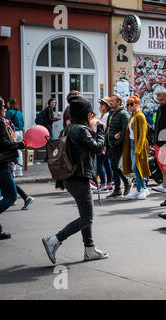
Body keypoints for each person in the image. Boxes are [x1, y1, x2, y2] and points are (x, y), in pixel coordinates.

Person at [42, 95, 108, 264]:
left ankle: (90, 249)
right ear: (85, 114)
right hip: (78, 177)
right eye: (90, 112)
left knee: (85, 215)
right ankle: (54, 240)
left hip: (71, 177)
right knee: (87, 217)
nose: (92, 115)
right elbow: (97, 148)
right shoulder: (81, 130)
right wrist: (100, 132)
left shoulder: (69, 128)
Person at [0, 95, 26, 241]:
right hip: (0, 166)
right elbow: (3, 142)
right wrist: (19, 144)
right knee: (11, 196)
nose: (5, 108)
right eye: (3, 106)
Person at [122, 94, 151, 200]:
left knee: (137, 167)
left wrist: (138, 149)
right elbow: (130, 130)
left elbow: (143, 134)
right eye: (128, 105)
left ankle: (143, 188)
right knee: (135, 168)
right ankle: (139, 189)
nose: (129, 107)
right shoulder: (132, 116)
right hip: (131, 143)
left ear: (137, 104)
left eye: (131, 104)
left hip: (139, 144)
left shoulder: (140, 116)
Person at [105, 94, 132, 198]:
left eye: (112, 101)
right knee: (113, 166)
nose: (110, 103)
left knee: (114, 165)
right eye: (110, 101)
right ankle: (117, 189)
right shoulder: (111, 112)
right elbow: (108, 128)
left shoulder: (123, 114)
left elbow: (125, 130)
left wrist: (118, 141)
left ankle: (126, 181)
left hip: (117, 144)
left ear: (118, 102)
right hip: (110, 143)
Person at [96, 97, 114, 193]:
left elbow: (108, 128)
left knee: (100, 163)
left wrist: (100, 124)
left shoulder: (107, 115)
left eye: (102, 104)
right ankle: (109, 184)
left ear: (106, 106)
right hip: (101, 140)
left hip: (104, 142)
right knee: (106, 163)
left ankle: (103, 185)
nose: (100, 106)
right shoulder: (101, 115)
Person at [5, 98, 25, 177]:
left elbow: (7, 122)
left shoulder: (9, 112)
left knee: (12, 150)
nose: (7, 104)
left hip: (14, 132)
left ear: (10, 103)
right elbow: (23, 123)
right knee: (19, 151)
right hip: (20, 132)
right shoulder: (19, 112)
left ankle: (12, 171)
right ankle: (19, 171)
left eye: (8, 103)